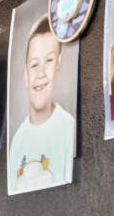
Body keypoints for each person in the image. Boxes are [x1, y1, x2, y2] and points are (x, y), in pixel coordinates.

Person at [8, 17, 75, 190]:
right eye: (34, 64)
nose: (41, 73)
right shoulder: (17, 141)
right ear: (25, 74)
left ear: (58, 65)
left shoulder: (68, 128)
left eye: (49, 61)